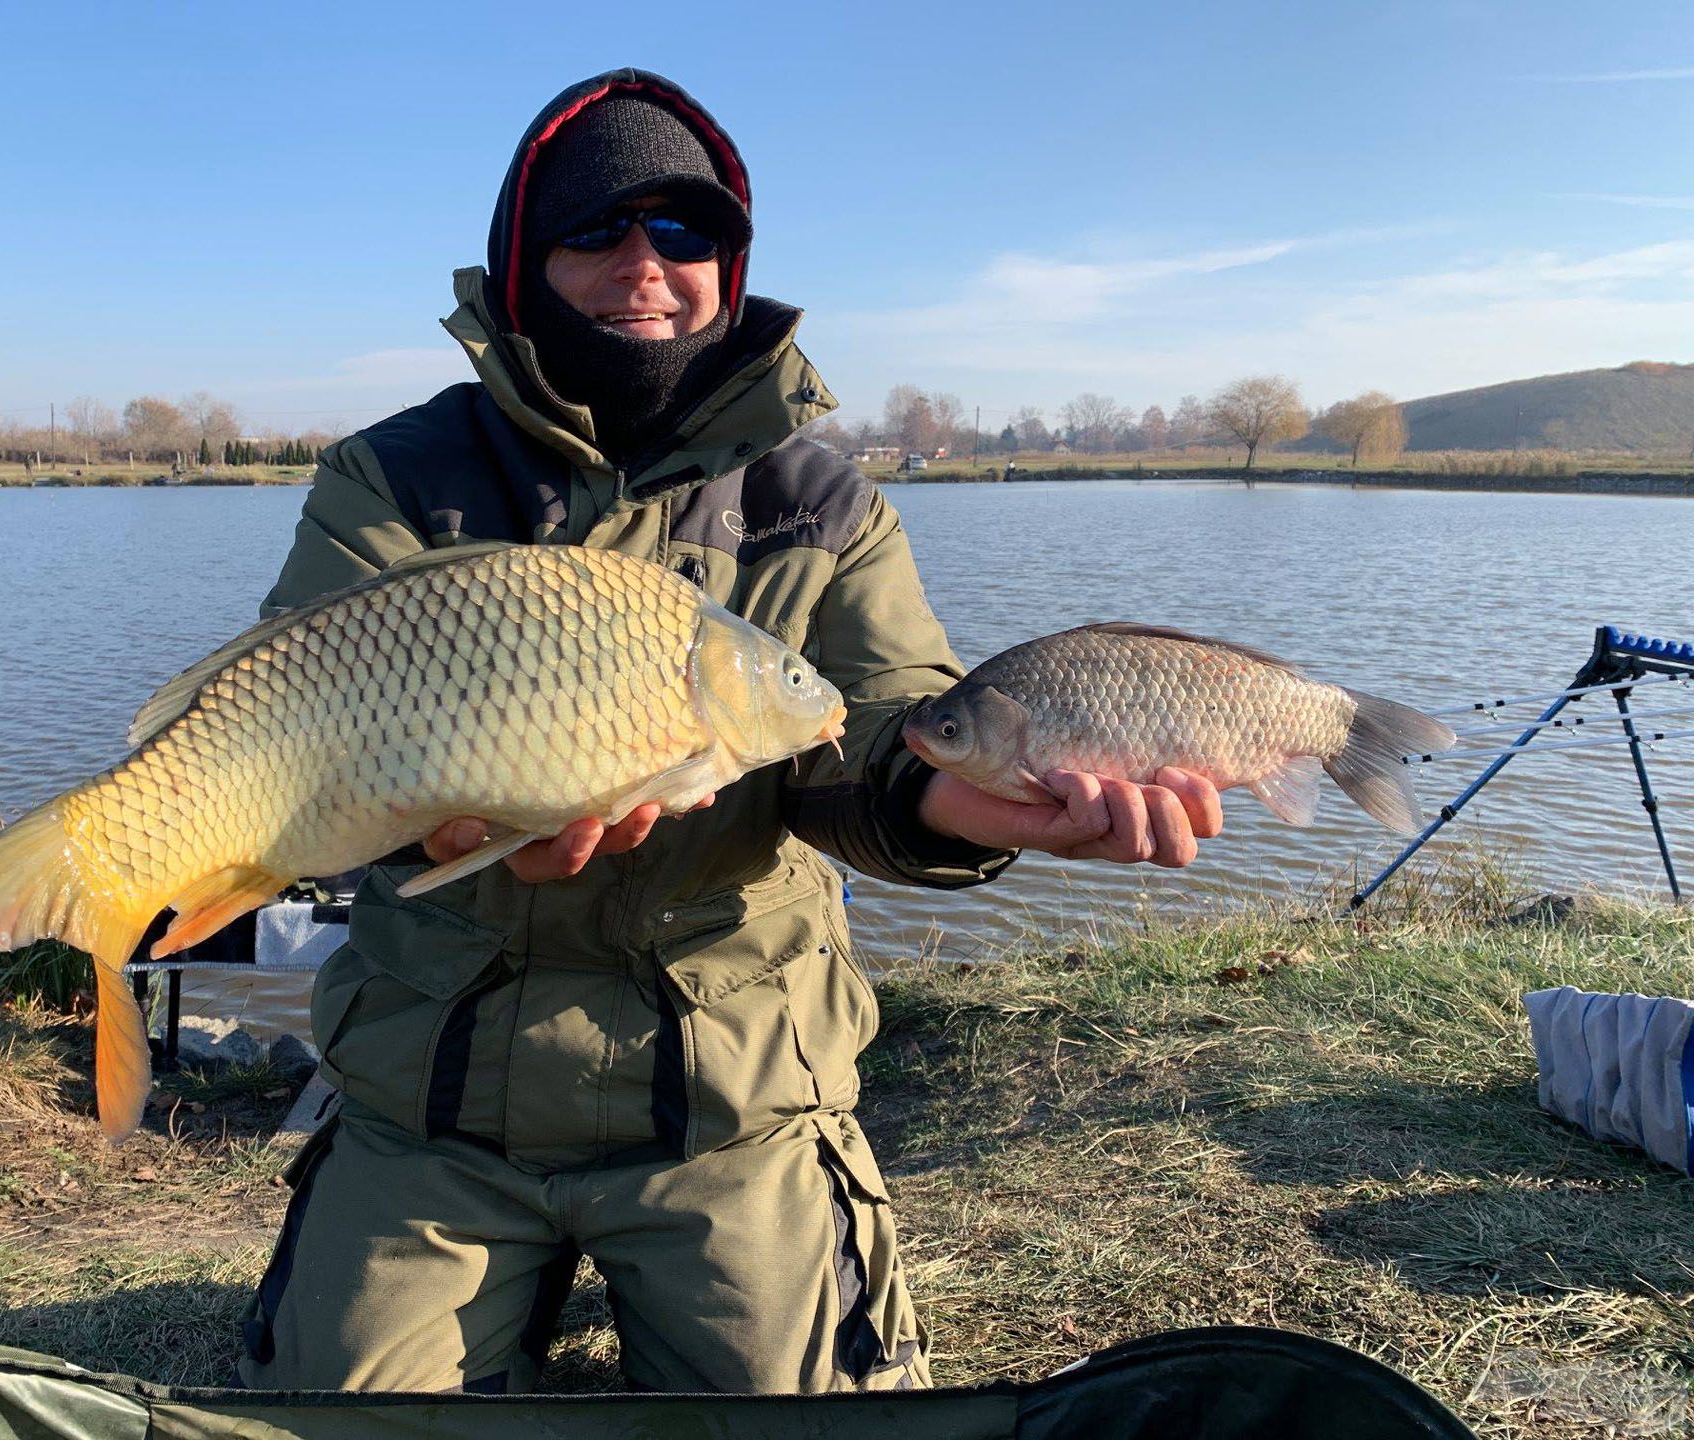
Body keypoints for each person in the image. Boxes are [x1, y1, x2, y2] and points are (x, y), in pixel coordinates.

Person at [237, 68, 1222, 1397]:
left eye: (685, 234)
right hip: (436, 1106)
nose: (644, 265)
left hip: (730, 1101)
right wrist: (441, 826)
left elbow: (877, 727)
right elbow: (299, 732)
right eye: (594, 231)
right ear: (523, 264)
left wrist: (963, 807)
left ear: (729, 262)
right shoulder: (393, 475)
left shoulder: (819, 500)